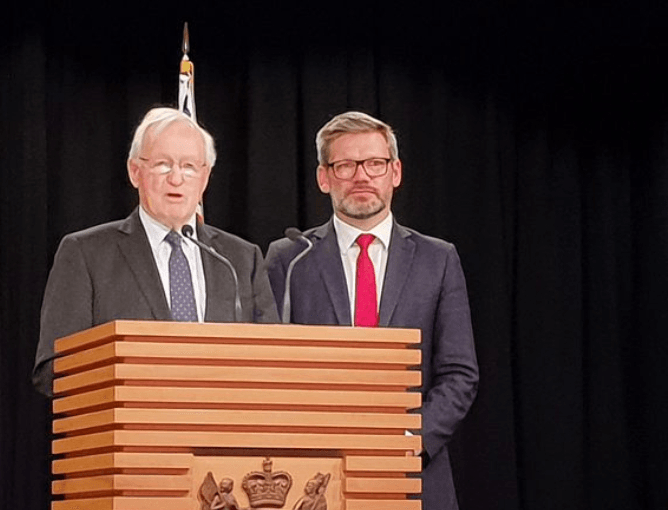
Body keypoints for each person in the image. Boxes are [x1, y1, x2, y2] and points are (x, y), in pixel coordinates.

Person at [265, 111, 478, 510]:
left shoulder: (438, 259)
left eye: (374, 164)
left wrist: (412, 442)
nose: (361, 176)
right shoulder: (291, 258)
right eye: (345, 165)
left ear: (395, 172)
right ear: (323, 177)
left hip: (414, 476)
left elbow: (459, 373)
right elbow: (272, 368)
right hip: (314, 477)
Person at [33, 107, 279, 396]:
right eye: (163, 164)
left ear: (205, 177)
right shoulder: (86, 254)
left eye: (189, 167)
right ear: (135, 171)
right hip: (125, 432)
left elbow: (272, 360)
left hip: (221, 435)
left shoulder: (239, 259)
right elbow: (54, 368)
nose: (176, 178)